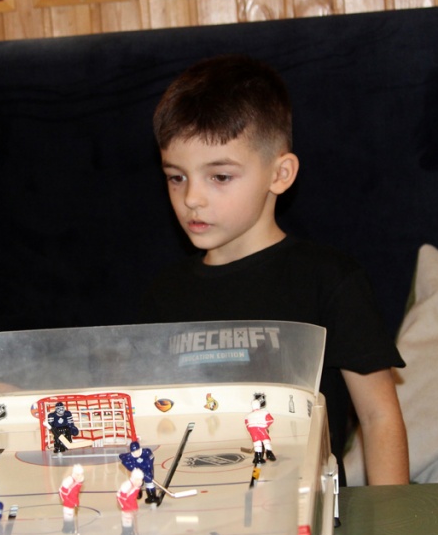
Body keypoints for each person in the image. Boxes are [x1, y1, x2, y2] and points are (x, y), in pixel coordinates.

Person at [141, 55, 409, 485]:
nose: (192, 198)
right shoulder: (164, 293)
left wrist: (394, 518)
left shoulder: (330, 279)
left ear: (280, 174)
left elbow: (379, 417)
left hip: (307, 510)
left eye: (220, 177)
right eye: (176, 177)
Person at [58, 464, 84, 534]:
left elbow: (75, 493)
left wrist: (76, 501)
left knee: (71, 515)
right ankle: (67, 529)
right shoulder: (68, 481)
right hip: (67, 503)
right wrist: (68, 501)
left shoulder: (79, 481)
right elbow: (62, 493)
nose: (79, 476)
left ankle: (71, 528)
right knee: (68, 516)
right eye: (78, 474)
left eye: (81, 474)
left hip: (72, 502)